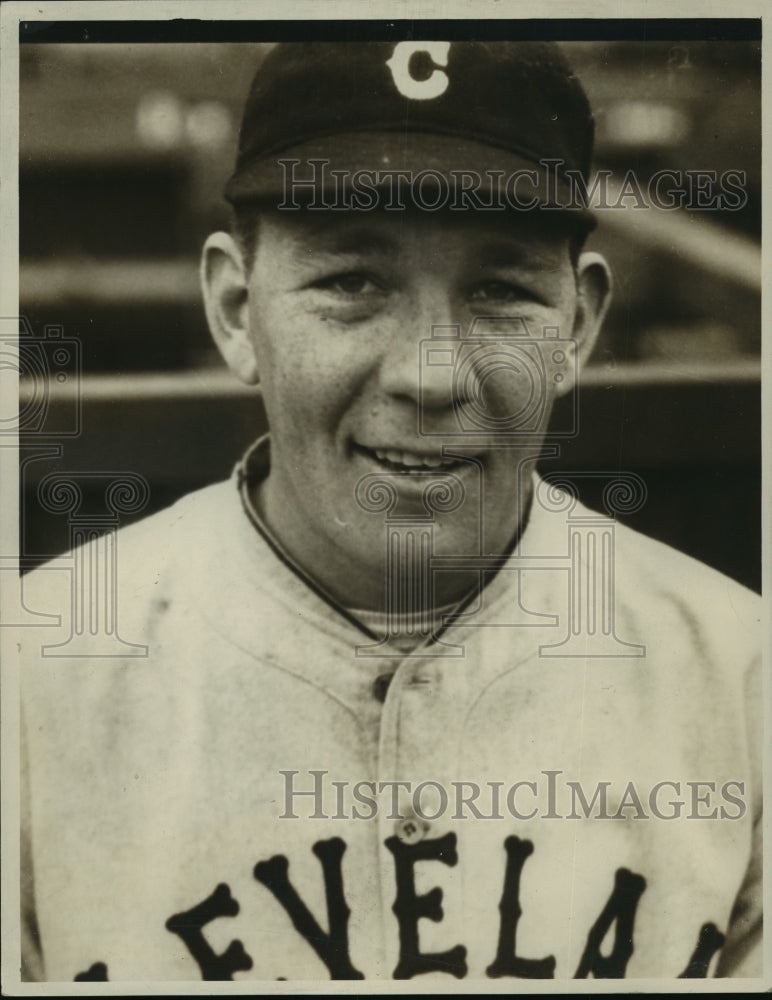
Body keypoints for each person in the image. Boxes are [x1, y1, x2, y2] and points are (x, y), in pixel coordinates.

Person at [20, 41, 761, 983]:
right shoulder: (35, 683)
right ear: (238, 310)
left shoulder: (740, 677)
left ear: (575, 328)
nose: (432, 374)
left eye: (500, 292)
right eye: (352, 284)